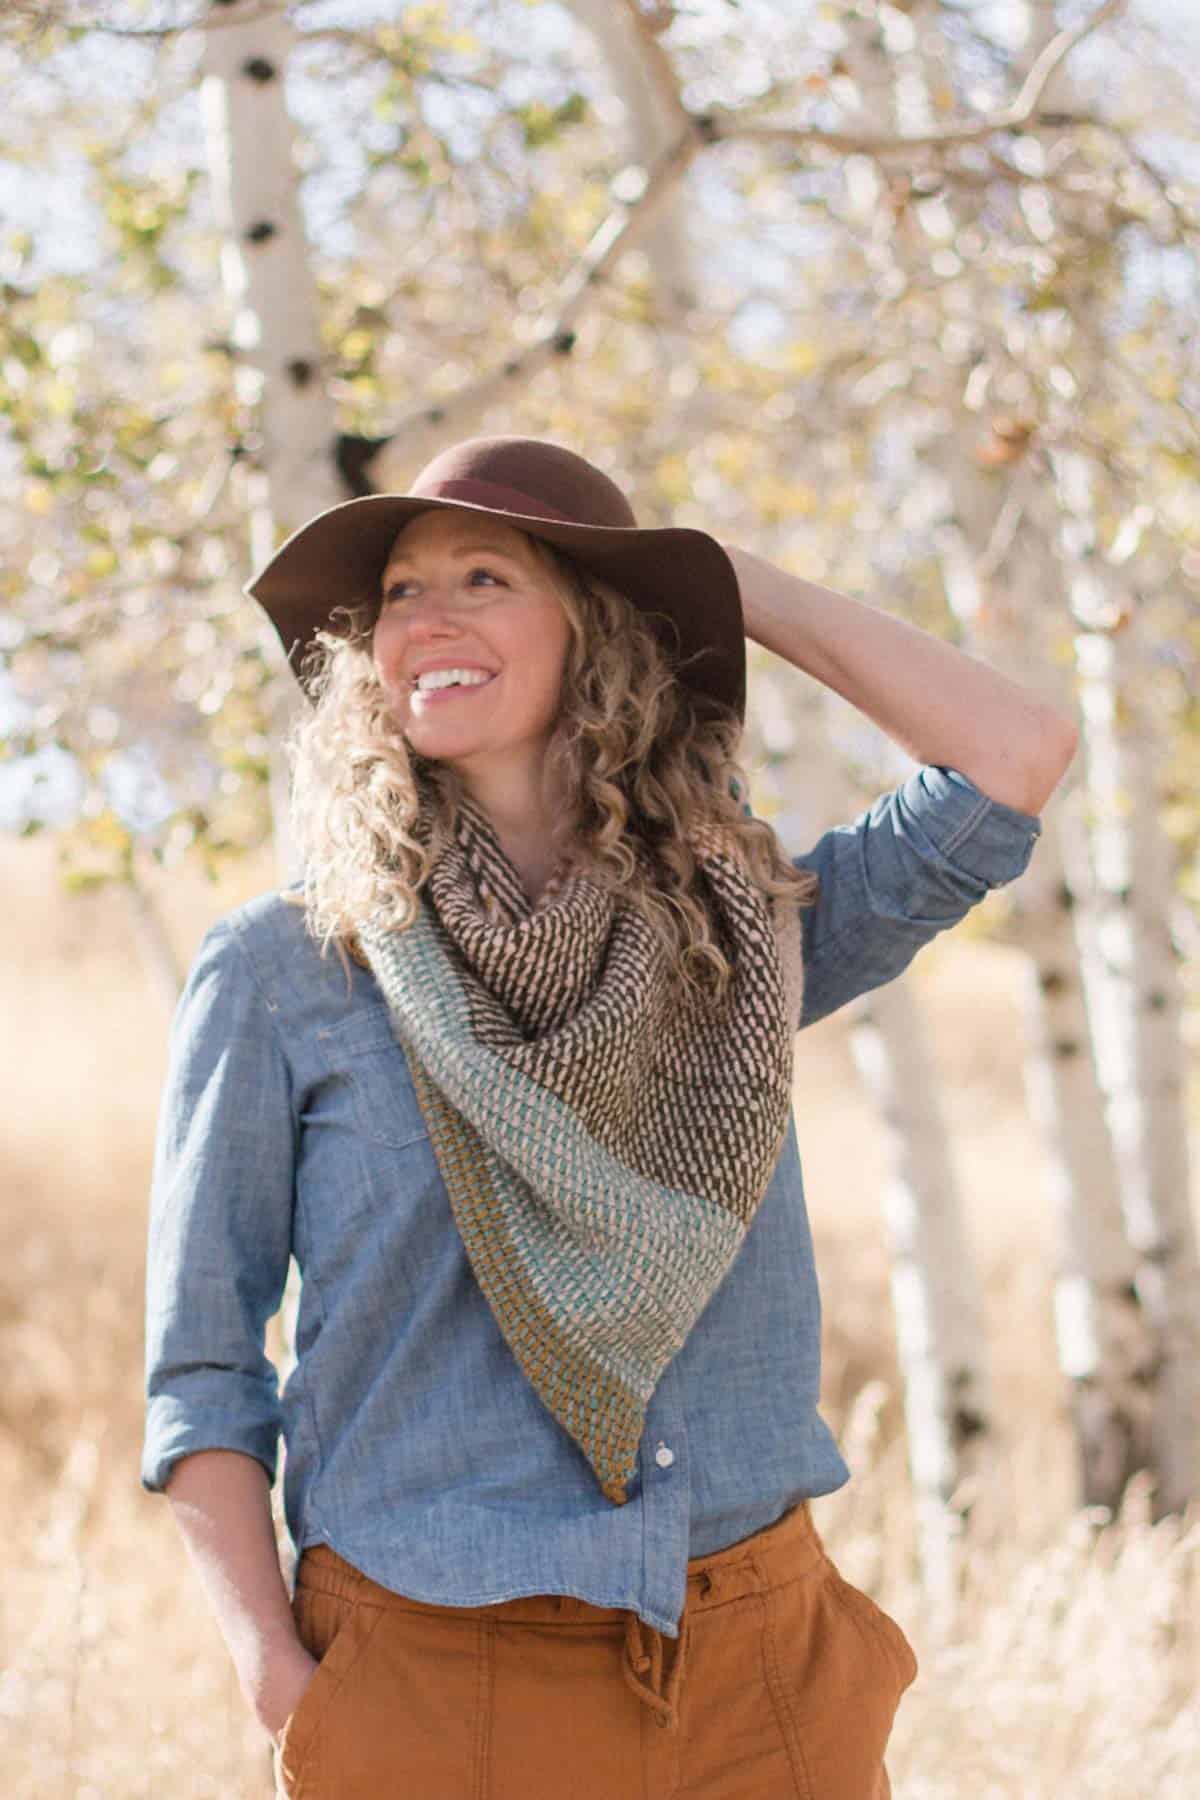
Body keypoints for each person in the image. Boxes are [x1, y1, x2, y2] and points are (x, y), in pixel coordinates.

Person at [141, 435, 1076, 1799]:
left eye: (485, 577)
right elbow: (204, 1368)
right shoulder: (290, 968)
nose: (429, 619)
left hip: (760, 1670)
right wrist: (278, 1678)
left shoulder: (740, 940)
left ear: (598, 633)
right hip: (436, 1669)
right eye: (400, 593)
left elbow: (1016, 755)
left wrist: (721, 585)